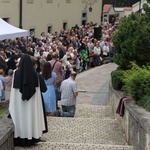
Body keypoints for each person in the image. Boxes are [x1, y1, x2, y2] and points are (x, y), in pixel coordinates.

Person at [9, 54, 47, 147]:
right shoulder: (35, 75)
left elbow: (14, 92)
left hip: (19, 104)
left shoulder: (16, 73)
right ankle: (32, 137)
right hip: (32, 104)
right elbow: (37, 93)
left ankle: (20, 138)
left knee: (21, 119)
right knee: (31, 118)